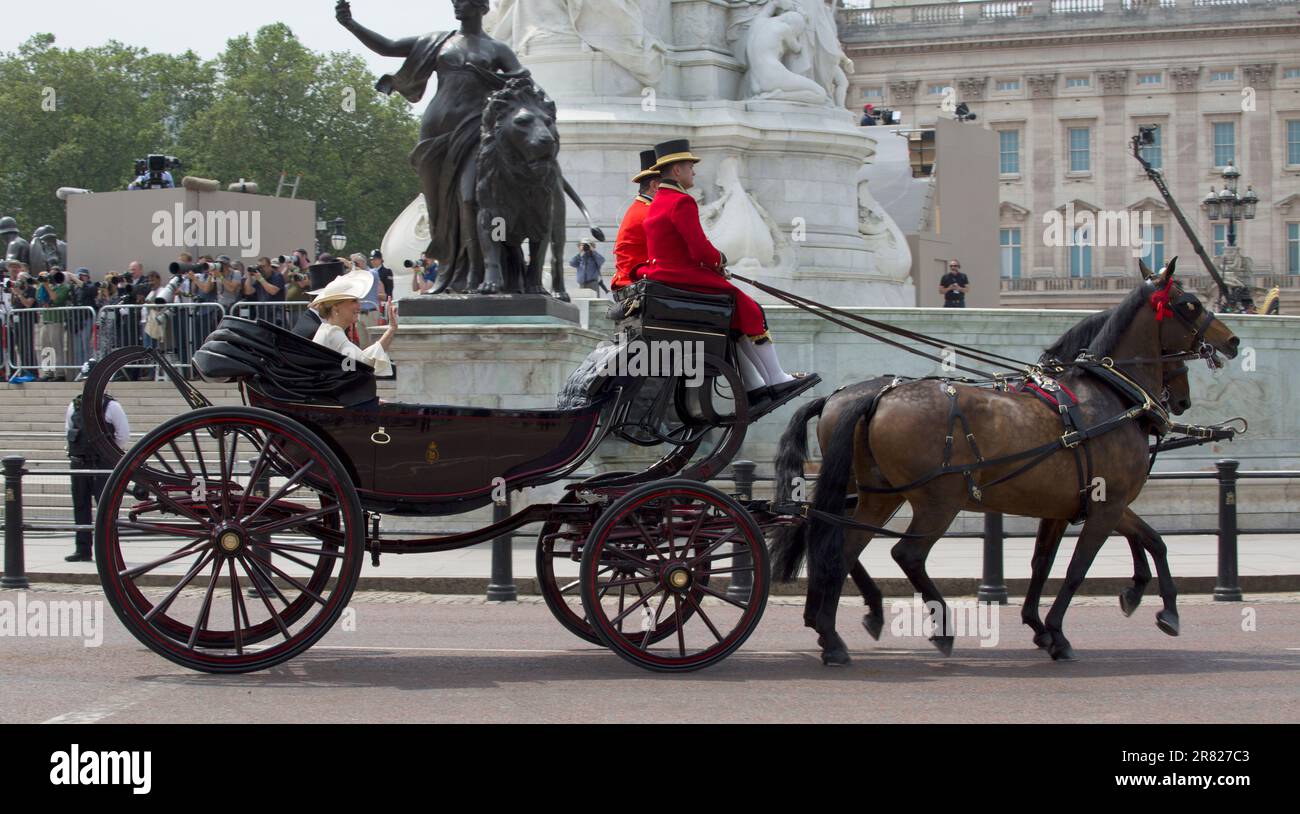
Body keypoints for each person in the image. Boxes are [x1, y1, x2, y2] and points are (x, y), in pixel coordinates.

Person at [642, 138, 811, 405]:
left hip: (666, 275)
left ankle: (755, 383)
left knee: (735, 318)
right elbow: (699, 249)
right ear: (677, 171)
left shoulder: (658, 201)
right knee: (750, 308)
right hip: (683, 275)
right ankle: (776, 377)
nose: (694, 172)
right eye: (690, 167)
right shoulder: (680, 202)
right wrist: (719, 261)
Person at [65, 373, 131, 562]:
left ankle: (109, 551)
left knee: (107, 509)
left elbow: (122, 435)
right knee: (80, 506)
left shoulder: (111, 406)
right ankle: (82, 549)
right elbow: (69, 430)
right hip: (79, 462)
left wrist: (106, 453)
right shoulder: (74, 405)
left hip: (102, 463)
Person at [311, 268, 398, 378]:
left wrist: (391, 329)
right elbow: (364, 363)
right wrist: (391, 329)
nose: (359, 306)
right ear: (336, 308)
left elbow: (356, 364)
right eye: (353, 301)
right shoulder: (333, 333)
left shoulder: (328, 330)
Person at [612, 148, 660, 291]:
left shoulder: (641, 208)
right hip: (639, 285)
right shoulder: (649, 213)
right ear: (655, 185)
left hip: (636, 283)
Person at [352, 252, 384, 335]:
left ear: (363, 262)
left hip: (371, 312)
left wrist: (350, 265)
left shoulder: (373, 272)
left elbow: (367, 275)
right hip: (359, 313)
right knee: (363, 344)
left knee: (373, 340)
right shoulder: (356, 276)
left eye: (356, 263)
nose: (355, 265)